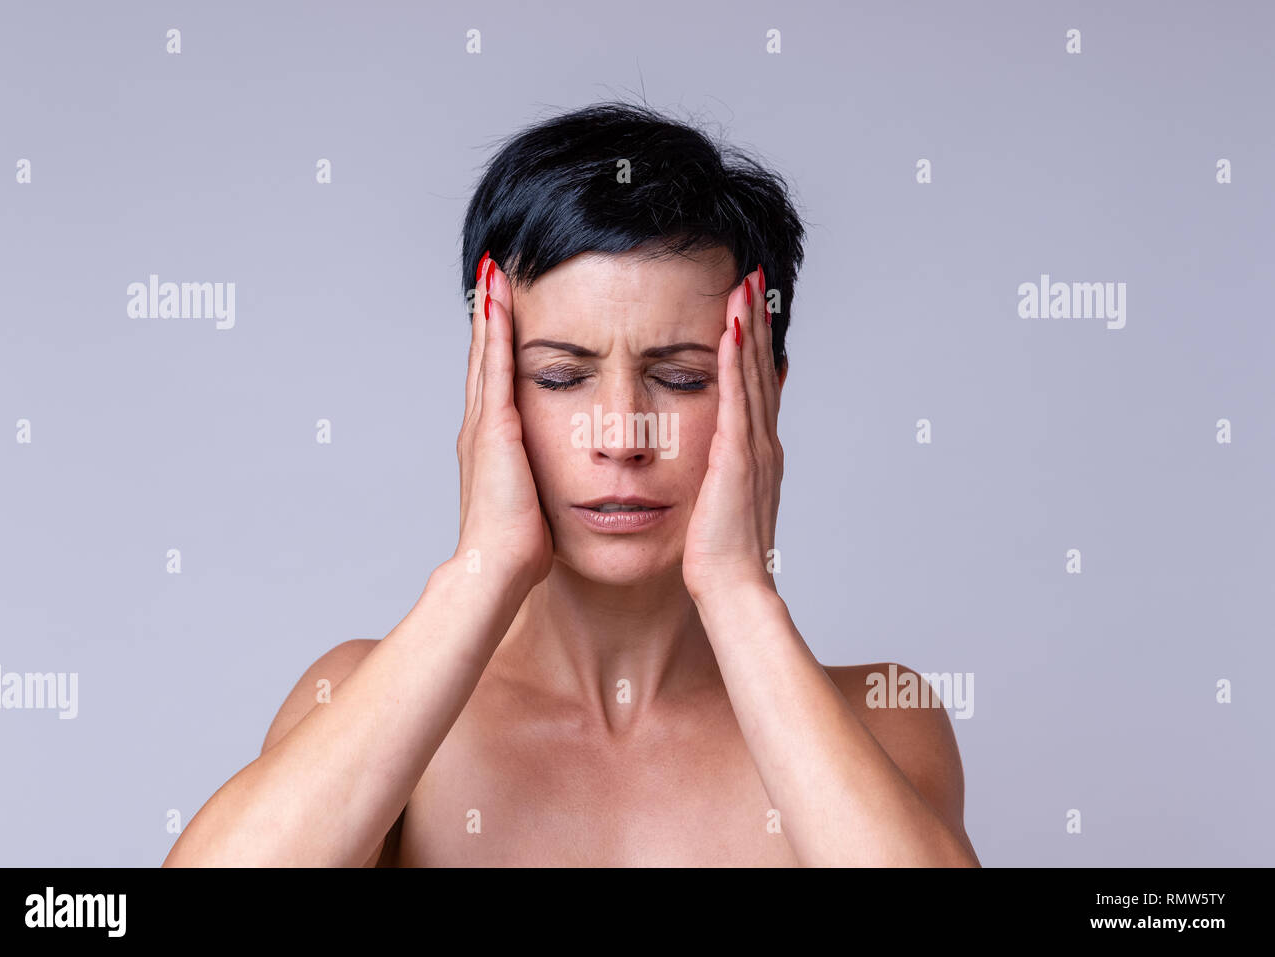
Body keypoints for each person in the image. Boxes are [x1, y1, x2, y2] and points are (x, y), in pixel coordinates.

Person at [163, 102, 980, 867]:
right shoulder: (365, 696)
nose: (621, 434)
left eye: (684, 379)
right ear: (491, 391)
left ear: (767, 390)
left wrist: (739, 591)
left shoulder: (880, 713)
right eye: (559, 377)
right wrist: (481, 568)